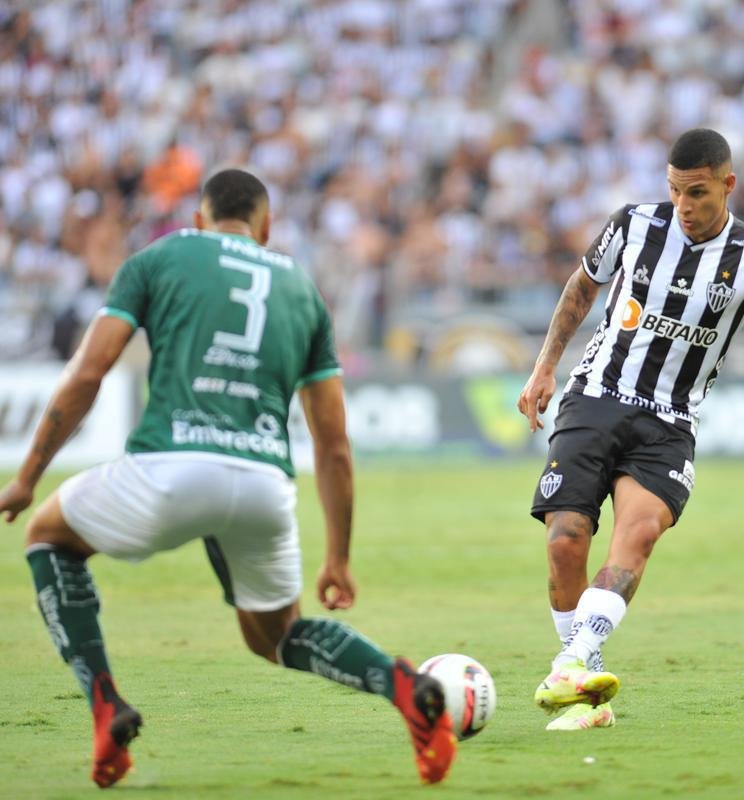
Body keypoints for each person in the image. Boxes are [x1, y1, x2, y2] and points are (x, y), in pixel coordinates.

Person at [0, 169, 456, 787]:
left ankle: (106, 706)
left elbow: (88, 371)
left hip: (170, 467)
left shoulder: (159, 257)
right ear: (266, 228)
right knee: (278, 635)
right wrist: (339, 557)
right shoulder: (301, 288)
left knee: (48, 537)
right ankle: (402, 684)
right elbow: (333, 446)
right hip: (265, 484)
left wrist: (28, 477)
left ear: (199, 219)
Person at [516, 128, 744, 731]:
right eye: (675, 190)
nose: (683, 204)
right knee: (564, 543)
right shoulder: (633, 225)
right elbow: (582, 287)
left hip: (669, 422)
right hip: (595, 397)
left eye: (697, 193)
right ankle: (586, 681)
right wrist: (545, 365)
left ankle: (571, 662)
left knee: (638, 535)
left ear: (728, 185)